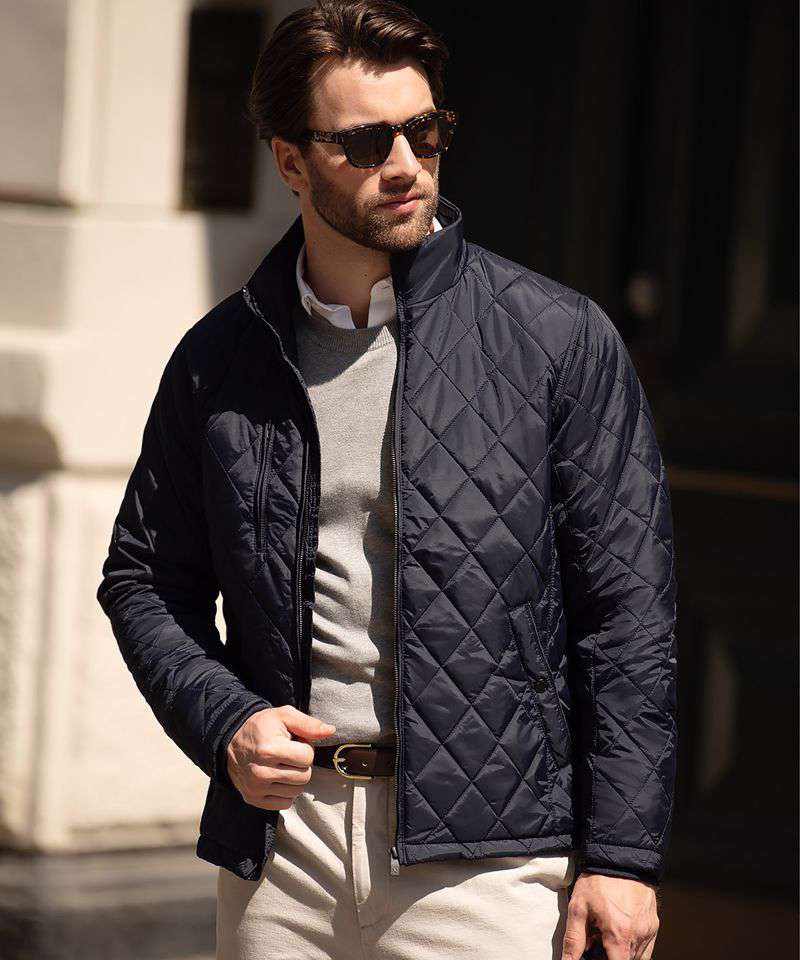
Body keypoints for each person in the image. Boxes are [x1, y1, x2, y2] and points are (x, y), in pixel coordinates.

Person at [96, 2, 678, 958]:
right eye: (366, 142)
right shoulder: (222, 358)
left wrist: (622, 856)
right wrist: (227, 721)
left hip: (487, 863)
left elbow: (628, 618)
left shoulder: (557, 341)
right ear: (292, 162)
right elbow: (144, 579)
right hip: (284, 853)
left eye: (426, 130)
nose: (405, 163)